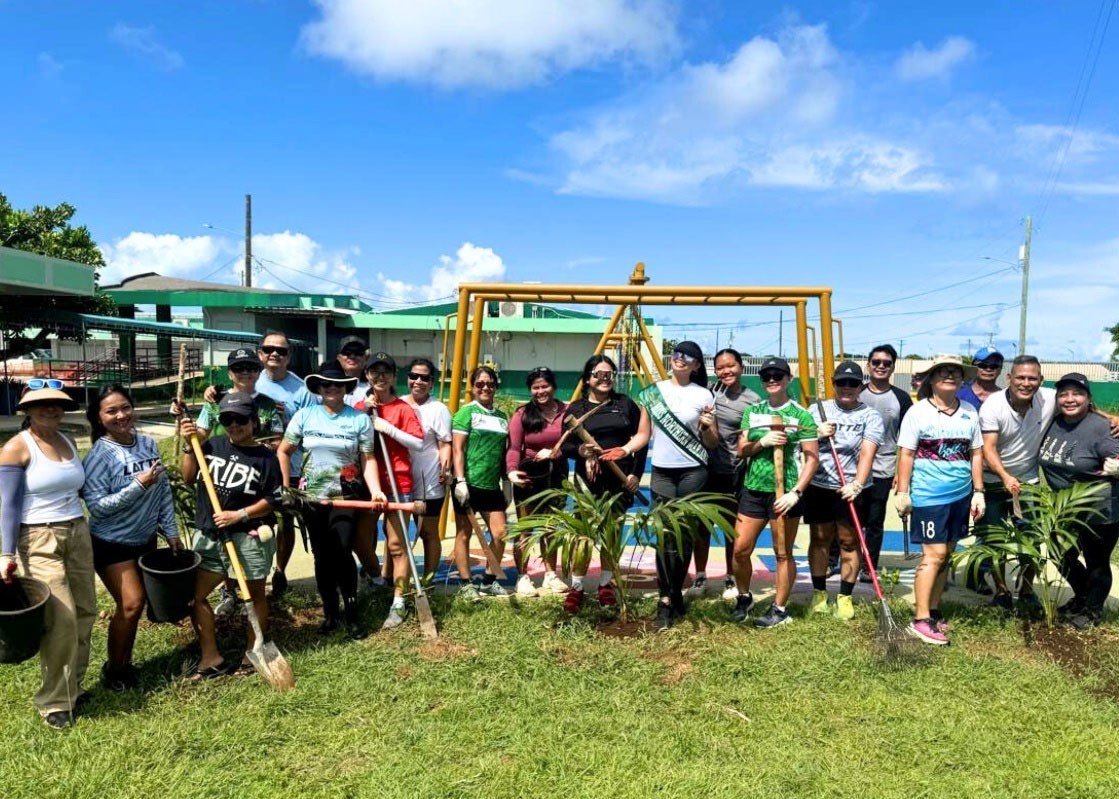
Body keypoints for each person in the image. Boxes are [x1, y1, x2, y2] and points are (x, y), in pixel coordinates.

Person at [0, 380, 92, 729]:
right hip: (38, 537)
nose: (50, 408)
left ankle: (74, 687)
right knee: (62, 618)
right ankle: (54, 701)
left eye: (56, 403)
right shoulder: (16, 449)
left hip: (77, 531)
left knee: (85, 611)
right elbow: (7, 505)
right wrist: (6, 553)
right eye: (41, 404)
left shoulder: (67, 440)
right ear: (26, 410)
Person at [81, 385, 181, 691]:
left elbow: (162, 489)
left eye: (125, 407)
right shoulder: (99, 456)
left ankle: (123, 664)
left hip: (145, 539)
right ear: (98, 418)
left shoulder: (148, 444)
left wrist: (172, 531)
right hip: (112, 543)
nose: (121, 415)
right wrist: (138, 485)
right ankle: (115, 670)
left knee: (137, 607)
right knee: (131, 603)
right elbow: (96, 508)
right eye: (111, 411)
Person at [178, 392, 283, 678]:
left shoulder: (265, 458)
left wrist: (241, 515)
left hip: (246, 537)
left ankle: (254, 652)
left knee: (253, 595)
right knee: (195, 597)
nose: (234, 425)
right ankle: (211, 656)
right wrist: (191, 446)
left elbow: (272, 499)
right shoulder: (211, 445)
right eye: (227, 420)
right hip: (211, 536)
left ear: (253, 422)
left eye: (240, 420)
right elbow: (188, 478)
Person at [278, 361, 385, 638]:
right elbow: (284, 451)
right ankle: (330, 614)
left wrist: (375, 490)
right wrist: (285, 486)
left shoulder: (358, 420)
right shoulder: (304, 416)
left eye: (337, 384)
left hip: (346, 496)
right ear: (319, 387)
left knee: (342, 550)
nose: (331, 389)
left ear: (345, 388)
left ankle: (352, 614)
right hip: (311, 497)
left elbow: (368, 459)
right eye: (326, 384)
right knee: (322, 555)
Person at [895, 354, 985, 646]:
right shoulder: (917, 413)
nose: (950, 376)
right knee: (932, 557)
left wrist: (979, 491)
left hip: (960, 495)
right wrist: (903, 492)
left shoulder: (970, 411)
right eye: (943, 372)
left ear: (962, 379)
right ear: (932, 379)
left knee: (946, 556)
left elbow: (976, 453)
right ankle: (920, 620)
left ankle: (933, 611)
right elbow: (906, 454)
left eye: (955, 372)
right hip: (928, 496)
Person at [193, 348, 283, 616]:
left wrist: (257, 448)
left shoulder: (268, 403)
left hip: (253, 479)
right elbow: (199, 435)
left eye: (251, 368)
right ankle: (229, 591)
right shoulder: (214, 401)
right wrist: (184, 423)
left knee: (250, 560)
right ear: (230, 372)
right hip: (218, 483)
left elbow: (278, 439)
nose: (245, 373)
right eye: (239, 368)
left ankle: (250, 599)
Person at [730, 357, 820, 628]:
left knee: (783, 552)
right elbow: (741, 449)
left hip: (785, 493)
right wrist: (761, 442)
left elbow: (812, 458)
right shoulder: (753, 411)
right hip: (754, 489)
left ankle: (780, 609)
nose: (772, 380)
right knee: (740, 550)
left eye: (777, 376)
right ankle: (744, 597)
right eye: (767, 376)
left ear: (787, 380)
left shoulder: (801, 415)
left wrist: (796, 492)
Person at [560, 355, 650, 613]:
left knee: (612, 536)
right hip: (588, 484)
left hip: (619, 482)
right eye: (599, 374)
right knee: (584, 538)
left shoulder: (625, 405)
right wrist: (582, 451)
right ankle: (576, 587)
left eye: (609, 374)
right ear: (588, 379)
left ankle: (605, 585)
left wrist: (635, 474)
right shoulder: (576, 409)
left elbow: (640, 442)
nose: (605, 378)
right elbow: (564, 446)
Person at [637, 341, 716, 630]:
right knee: (664, 536)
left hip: (693, 472)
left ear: (697, 365)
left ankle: (674, 595)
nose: (680, 359)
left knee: (684, 536)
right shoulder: (652, 393)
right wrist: (622, 450)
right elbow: (643, 435)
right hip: (662, 473)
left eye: (688, 356)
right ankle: (665, 598)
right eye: (677, 354)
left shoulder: (704, 394)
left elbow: (712, 442)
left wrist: (709, 427)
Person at [1038, 373, 1119, 630]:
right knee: (1059, 554)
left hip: (1100, 509)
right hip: (1062, 507)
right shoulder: (1052, 422)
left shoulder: (1101, 428)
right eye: (1064, 394)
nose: (1070, 399)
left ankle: (1092, 611)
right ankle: (1084, 597)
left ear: (1088, 399)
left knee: (1097, 560)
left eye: (1077, 394)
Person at [804, 362, 883, 620]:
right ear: (834, 384)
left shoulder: (870, 415)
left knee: (849, 541)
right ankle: (818, 594)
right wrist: (815, 433)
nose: (846, 388)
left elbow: (867, 453)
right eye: (841, 383)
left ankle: (845, 597)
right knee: (819, 539)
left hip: (852, 487)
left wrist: (857, 484)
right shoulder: (818, 410)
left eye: (853, 383)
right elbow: (801, 443)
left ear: (861, 386)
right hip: (819, 485)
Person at [976, 355, 1054, 610]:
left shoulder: (1049, 398)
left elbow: (1083, 402)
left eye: (1032, 378)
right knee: (995, 539)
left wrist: (1110, 418)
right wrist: (1005, 476)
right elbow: (988, 448)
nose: (1026, 383)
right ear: (1009, 378)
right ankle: (1001, 591)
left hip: (1028, 482)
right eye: (1020, 377)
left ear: (1040, 380)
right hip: (994, 483)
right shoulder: (992, 406)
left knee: (1032, 538)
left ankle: (1027, 590)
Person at [355, 352, 424, 630]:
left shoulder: (403, 409)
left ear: (394, 377)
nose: (380, 377)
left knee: (397, 545)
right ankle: (376, 577)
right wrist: (364, 413)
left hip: (398, 483)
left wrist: (388, 427)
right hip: (367, 484)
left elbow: (417, 443)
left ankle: (398, 601)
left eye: (386, 372)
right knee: (360, 540)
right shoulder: (360, 406)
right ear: (367, 375)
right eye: (374, 371)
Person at [688, 348, 758, 600]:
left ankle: (730, 576)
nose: (726, 371)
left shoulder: (752, 400)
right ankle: (700, 575)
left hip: (733, 472)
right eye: (720, 367)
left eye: (731, 365)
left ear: (741, 366)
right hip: (704, 469)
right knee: (701, 527)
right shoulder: (708, 393)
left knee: (731, 529)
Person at [254, 331, 318, 599]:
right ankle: (252, 575)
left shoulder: (302, 390)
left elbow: (312, 430)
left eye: (281, 350)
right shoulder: (249, 380)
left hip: (288, 467)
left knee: (284, 521)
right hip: (253, 464)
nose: (274, 354)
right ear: (260, 354)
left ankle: (279, 571)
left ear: (289, 356)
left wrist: (286, 424)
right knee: (254, 520)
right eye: (269, 349)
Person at [506, 366, 570, 597]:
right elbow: (513, 448)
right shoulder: (522, 414)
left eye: (545, 386)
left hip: (557, 475)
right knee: (526, 528)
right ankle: (523, 577)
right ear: (530, 390)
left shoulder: (566, 411)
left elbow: (572, 445)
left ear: (553, 387)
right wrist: (512, 471)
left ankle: (551, 574)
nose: (541, 391)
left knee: (551, 527)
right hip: (529, 477)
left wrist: (556, 452)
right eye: (536, 387)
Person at [451, 366, 513, 599]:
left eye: (490, 383)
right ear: (473, 387)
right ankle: (466, 583)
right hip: (468, 484)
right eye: (480, 384)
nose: (485, 387)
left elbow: (504, 452)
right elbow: (457, 449)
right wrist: (459, 480)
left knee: (501, 533)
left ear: (495, 386)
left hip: (492, 486)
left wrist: (506, 482)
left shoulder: (501, 416)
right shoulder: (466, 413)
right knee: (464, 534)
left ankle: (488, 580)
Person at [858, 344, 912, 581]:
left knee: (874, 519)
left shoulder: (901, 398)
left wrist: (901, 474)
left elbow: (908, 439)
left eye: (886, 363)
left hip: (883, 467)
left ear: (892, 367)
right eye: (876, 362)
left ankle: (868, 565)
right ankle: (834, 558)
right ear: (868, 365)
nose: (881, 366)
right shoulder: (854, 391)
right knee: (848, 518)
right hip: (853, 466)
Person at [400, 358, 452, 583]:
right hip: (399, 480)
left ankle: (428, 579)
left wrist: (445, 469)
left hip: (428, 481)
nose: (418, 381)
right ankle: (390, 577)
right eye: (414, 376)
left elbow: (445, 443)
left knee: (427, 532)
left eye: (425, 378)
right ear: (408, 379)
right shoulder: (399, 404)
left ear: (432, 382)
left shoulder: (438, 409)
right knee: (398, 533)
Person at [336, 335, 370, 407]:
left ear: (366, 359)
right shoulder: (327, 387)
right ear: (339, 358)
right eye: (347, 352)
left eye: (358, 353)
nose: (352, 356)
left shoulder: (373, 389)